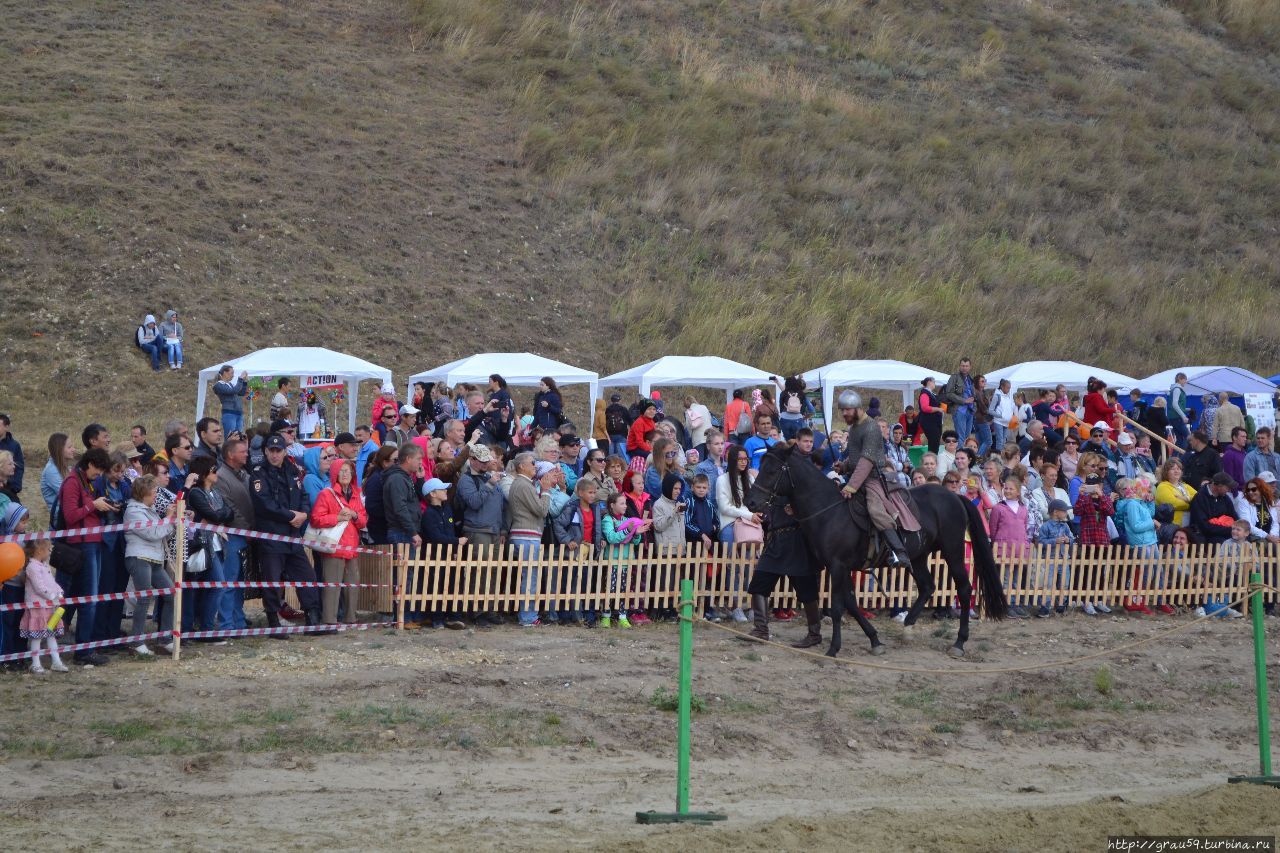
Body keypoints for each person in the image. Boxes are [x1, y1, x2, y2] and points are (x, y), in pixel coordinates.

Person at [836, 390, 920, 568]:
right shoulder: (855, 428)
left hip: (874, 478)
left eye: (847, 410)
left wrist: (851, 487)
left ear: (857, 408)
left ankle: (899, 552)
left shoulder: (871, 428)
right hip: (857, 476)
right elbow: (856, 456)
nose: (844, 414)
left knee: (875, 510)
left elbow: (867, 460)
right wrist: (843, 466)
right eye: (842, 410)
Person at [250, 433, 325, 634]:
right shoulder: (259, 473)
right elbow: (264, 503)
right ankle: (273, 619)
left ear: (285, 451)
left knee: (306, 575)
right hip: (271, 535)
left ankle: (313, 616)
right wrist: (290, 515)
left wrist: (303, 514)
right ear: (265, 451)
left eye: (278, 451)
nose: (274, 455)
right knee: (273, 580)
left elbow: (303, 495)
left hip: (292, 534)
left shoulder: (292, 470)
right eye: (271, 451)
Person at [307, 459, 367, 626]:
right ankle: (329, 620)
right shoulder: (326, 494)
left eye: (348, 470)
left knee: (352, 586)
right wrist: (337, 517)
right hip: (333, 546)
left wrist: (354, 515)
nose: (345, 473)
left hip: (352, 546)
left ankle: (350, 618)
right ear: (334, 474)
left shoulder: (356, 493)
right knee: (332, 587)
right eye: (341, 470)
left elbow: (363, 521)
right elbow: (316, 519)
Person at [123, 475, 176, 655]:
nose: (156, 495)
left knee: (170, 594)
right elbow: (153, 533)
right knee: (144, 597)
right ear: (144, 492)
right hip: (139, 557)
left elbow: (162, 533)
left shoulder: (150, 510)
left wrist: (171, 520)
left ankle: (165, 639)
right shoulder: (133, 511)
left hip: (154, 559)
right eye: (153, 492)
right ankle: (136, 642)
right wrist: (168, 519)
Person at [213, 436, 254, 631]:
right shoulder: (221, 477)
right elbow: (229, 507)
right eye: (242, 451)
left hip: (246, 535)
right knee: (229, 581)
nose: (247, 454)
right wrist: (246, 529)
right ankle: (226, 624)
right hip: (233, 536)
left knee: (239, 582)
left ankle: (238, 620)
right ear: (230, 455)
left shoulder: (243, 474)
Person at [508, 454, 553, 627]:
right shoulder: (523, 485)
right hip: (526, 535)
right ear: (521, 466)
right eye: (532, 463)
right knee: (530, 577)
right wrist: (546, 491)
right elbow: (541, 510)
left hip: (525, 534)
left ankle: (528, 615)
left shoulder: (523, 484)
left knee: (529, 576)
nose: (535, 466)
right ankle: (528, 617)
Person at [20, 539, 67, 674]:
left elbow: (52, 582)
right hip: (38, 607)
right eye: (48, 550)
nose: (50, 553)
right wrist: (52, 596)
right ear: (39, 551)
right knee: (37, 637)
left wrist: (59, 592)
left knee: (51, 634)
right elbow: (39, 587)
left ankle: (56, 662)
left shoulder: (44, 566)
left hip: (49, 607)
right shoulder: (32, 567)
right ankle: (35, 663)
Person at [988, 474, 1030, 618]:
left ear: (1018, 491)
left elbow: (1024, 526)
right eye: (1006, 488)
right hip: (1004, 548)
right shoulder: (998, 508)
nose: (1007, 491)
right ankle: (1005, 604)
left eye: (1011, 489)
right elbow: (993, 529)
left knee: (1017, 579)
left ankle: (1015, 603)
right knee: (1005, 578)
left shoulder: (1023, 509)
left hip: (1019, 549)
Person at [1073, 472, 1114, 615]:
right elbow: (1076, 511)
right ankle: (1087, 601)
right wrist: (1082, 494)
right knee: (1087, 571)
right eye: (1090, 484)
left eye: (1095, 484)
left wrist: (1101, 495)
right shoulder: (1084, 499)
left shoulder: (1104, 498)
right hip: (1087, 538)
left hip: (1102, 539)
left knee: (1101, 571)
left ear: (1100, 485)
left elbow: (1110, 510)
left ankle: (1099, 600)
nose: (1092, 487)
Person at [1036, 499, 1075, 618]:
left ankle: (1061, 606)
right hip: (1050, 560)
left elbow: (1072, 539)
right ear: (1055, 512)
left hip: (1063, 559)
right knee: (1048, 584)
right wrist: (1055, 541)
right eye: (1064, 511)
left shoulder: (1065, 526)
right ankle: (1045, 607)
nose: (1066, 513)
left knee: (1064, 583)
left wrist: (1069, 541)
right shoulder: (1045, 526)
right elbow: (1041, 542)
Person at [1208, 519, 1252, 618]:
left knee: (1249, 583)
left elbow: (1255, 561)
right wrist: (1232, 565)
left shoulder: (1249, 546)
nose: (1234, 531)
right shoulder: (1227, 543)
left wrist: (1249, 567)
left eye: (1238, 529)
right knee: (1235, 581)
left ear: (1246, 533)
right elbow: (1220, 558)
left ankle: (1243, 605)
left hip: (1244, 573)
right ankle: (1233, 606)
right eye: (1233, 529)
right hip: (1228, 574)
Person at [1189, 472, 1238, 546]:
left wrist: (1239, 530)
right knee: (1223, 543)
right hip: (1205, 537)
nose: (1229, 490)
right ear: (1219, 486)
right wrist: (1230, 530)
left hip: (1225, 533)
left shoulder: (1225, 498)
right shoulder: (1199, 498)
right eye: (1228, 487)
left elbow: (1235, 517)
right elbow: (1204, 527)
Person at [1235, 477, 1280, 543]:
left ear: (1261, 490)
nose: (1250, 492)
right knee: (1265, 544)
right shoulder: (1244, 502)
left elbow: (1275, 523)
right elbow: (1247, 525)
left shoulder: (1269, 501)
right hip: (1252, 536)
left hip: (1269, 536)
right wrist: (1267, 536)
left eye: (1253, 489)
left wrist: (1273, 536)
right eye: (1248, 490)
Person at [1155, 458, 1197, 528]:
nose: (1176, 471)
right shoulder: (1162, 487)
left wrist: (1186, 498)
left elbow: (1199, 497)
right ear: (1166, 472)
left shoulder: (1184, 485)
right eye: (1172, 469)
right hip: (1172, 526)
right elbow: (1174, 504)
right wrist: (1192, 504)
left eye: (1178, 469)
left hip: (1188, 524)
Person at [942, 357, 976, 442]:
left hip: (970, 410)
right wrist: (964, 400)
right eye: (963, 366)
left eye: (966, 366)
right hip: (959, 410)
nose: (964, 368)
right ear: (959, 366)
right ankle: (960, 454)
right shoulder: (954, 377)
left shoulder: (970, 379)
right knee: (960, 437)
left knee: (967, 437)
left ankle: (966, 455)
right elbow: (949, 393)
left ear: (970, 367)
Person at [213, 366, 249, 437]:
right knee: (231, 437)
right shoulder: (219, 385)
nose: (233, 375)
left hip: (238, 413)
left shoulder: (231, 384)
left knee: (239, 437)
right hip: (229, 413)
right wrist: (240, 378)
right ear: (225, 373)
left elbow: (241, 393)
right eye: (232, 373)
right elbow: (233, 391)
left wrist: (244, 382)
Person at [917, 377, 944, 453]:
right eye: (934, 382)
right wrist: (938, 409)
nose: (935, 384)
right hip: (929, 422)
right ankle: (931, 461)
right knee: (933, 443)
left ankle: (933, 461)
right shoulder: (925, 393)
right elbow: (924, 408)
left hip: (935, 422)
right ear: (929, 382)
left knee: (935, 444)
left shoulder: (931, 394)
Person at [1221, 426, 1249, 495]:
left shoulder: (1245, 454)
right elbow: (1229, 476)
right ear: (1234, 438)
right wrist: (1235, 493)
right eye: (1242, 436)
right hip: (1236, 493)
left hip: (1246, 491)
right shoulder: (1229, 454)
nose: (1245, 439)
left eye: (1246, 437)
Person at [0, 415, 22, 501]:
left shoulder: (14, 445)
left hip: (10, 489)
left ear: (7, 427)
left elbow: (19, 467)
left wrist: (15, 487)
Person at [604, 394, 632, 460]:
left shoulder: (607, 410)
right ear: (619, 400)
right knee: (621, 457)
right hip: (622, 434)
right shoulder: (623, 409)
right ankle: (620, 469)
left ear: (611, 400)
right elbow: (630, 421)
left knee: (610, 458)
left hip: (609, 436)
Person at [972, 375, 994, 457]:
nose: (984, 382)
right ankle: (977, 458)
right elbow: (982, 407)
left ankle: (978, 460)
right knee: (988, 441)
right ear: (977, 382)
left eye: (985, 381)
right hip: (981, 419)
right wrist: (991, 415)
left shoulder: (980, 392)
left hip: (977, 419)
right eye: (982, 381)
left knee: (980, 442)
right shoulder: (978, 393)